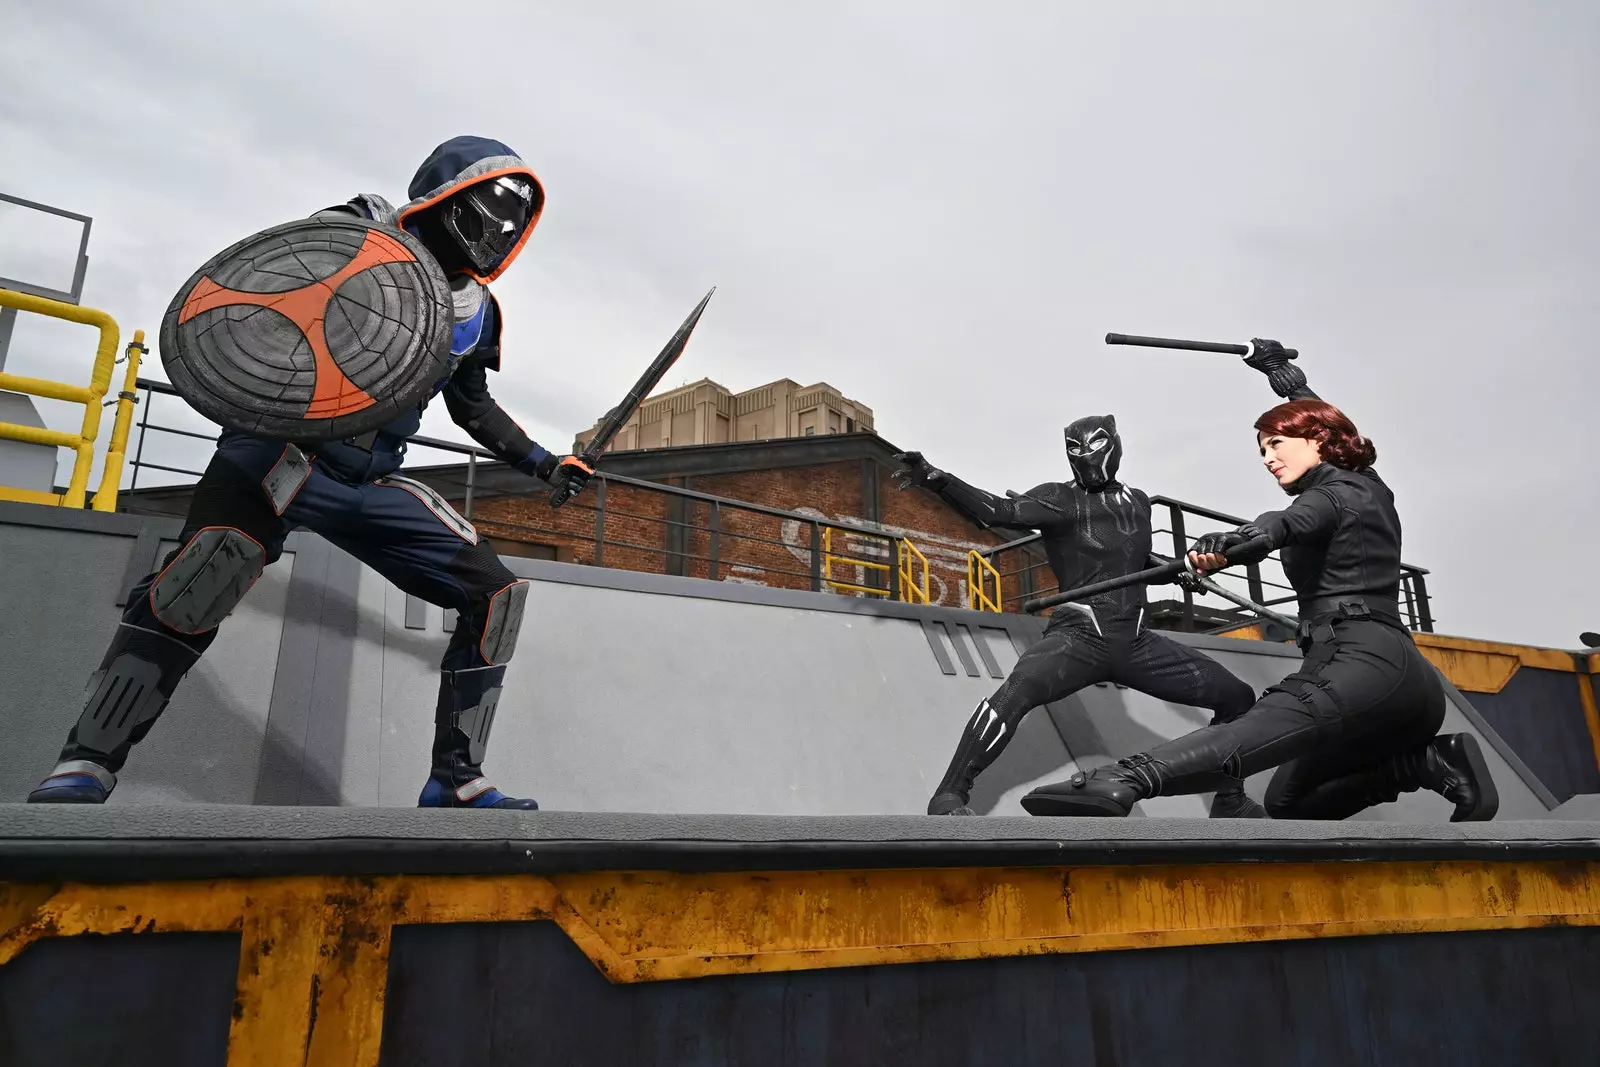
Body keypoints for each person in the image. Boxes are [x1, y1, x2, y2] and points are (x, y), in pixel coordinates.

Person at [27, 136, 592, 810]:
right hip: (281, 451)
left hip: (371, 478)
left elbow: (472, 407)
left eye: (514, 219)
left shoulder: (476, 312)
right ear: (448, 193)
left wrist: (545, 462)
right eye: (491, 208)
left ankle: (456, 778)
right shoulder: (356, 229)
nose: (499, 230)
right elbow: (259, 304)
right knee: (206, 571)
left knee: (495, 593)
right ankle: (86, 761)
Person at [1018, 340, 1497, 821]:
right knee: (1289, 804)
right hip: (1400, 680)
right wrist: (1280, 372)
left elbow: (1282, 524)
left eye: (1277, 445)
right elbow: (1315, 414)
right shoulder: (1368, 483)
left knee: (1255, 729)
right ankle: (1429, 763)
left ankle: (1123, 780)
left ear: (1318, 441)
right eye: (1262, 449)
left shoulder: (1329, 497)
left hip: (1359, 663)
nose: (1268, 458)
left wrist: (1230, 543)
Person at [894, 412, 1264, 819]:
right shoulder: (1058, 498)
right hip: (1080, 635)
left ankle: (1229, 798)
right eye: (1075, 448)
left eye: (1095, 445)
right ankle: (948, 795)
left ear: (1115, 444)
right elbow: (997, 510)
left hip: (1137, 640)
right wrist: (936, 477)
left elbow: (1137, 561)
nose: (1085, 456)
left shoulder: (1138, 502)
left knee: (1238, 697)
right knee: (1014, 694)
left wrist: (1180, 570)